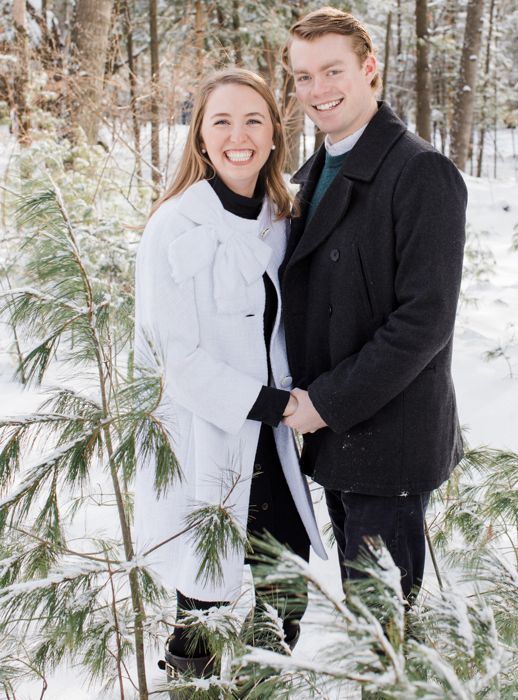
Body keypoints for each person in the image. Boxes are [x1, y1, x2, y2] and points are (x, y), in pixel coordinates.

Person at [134, 69, 327, 680]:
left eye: (253, 120)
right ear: (199, 137)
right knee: (203, 600)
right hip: (207, 436)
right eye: (221, 121)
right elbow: (175, 360)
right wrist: (278, 404)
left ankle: (258, 685)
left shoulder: (281, 219)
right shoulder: (173, 227)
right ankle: (192, 689)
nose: (237, 135)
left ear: (275, 135)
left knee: (287, 583)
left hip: (270, 437)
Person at [278, 7, 467, 606]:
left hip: (387, 441)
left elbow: (425, 321)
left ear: (370, 69)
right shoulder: (310, 173)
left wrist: (326, 403)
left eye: (332, 71)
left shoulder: (419, 171)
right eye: (303, 77)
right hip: (333, 437)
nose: (317, 91)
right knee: (365, 623)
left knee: (382, 631)